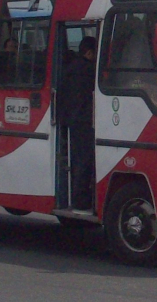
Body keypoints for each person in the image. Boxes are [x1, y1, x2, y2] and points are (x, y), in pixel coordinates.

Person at [57, 36, 97, 212]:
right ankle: (80, 200)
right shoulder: (89, 71)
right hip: (85, 120)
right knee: (84, 162)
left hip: (70, 120)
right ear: (89, 53)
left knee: (75, 160)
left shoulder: (69, 68)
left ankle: (73, 197)